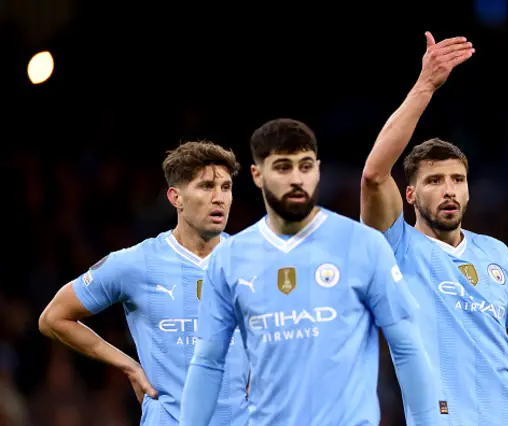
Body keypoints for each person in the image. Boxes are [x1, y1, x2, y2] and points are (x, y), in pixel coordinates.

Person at [360, 31, 508, 426]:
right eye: (434, 180)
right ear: (409, 195)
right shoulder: (395, 246)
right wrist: (425, 86)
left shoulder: (495, 253)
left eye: (457, 180)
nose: (448, 190)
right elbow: (374, 175)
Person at [180, 118, 439, 426]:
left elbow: (407, 348)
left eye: (305, 167)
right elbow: (208, 362)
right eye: (282, 168)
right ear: (257, 175)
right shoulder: (229, 258)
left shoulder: (363, 244)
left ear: (318, 169)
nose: (296, 179)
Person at [38, 141, 250, 426]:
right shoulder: (136, 263)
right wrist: (130, 367)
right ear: (176, 197)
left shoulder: (253, 262)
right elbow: (54, 318)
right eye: (206, 186)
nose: (219, 198)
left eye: (226, 188)